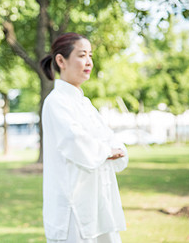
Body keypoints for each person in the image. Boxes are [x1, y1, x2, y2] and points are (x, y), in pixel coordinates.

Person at [40, 33, 128, 243]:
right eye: (82, 55)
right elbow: (74, 140)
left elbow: (109, 137)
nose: (88, 62)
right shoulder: (56, 102)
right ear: (61, 61)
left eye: (90, 55)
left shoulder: (84, 103)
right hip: (72, 203)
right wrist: (106, 151)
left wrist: (112, 149)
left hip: (98, 198)